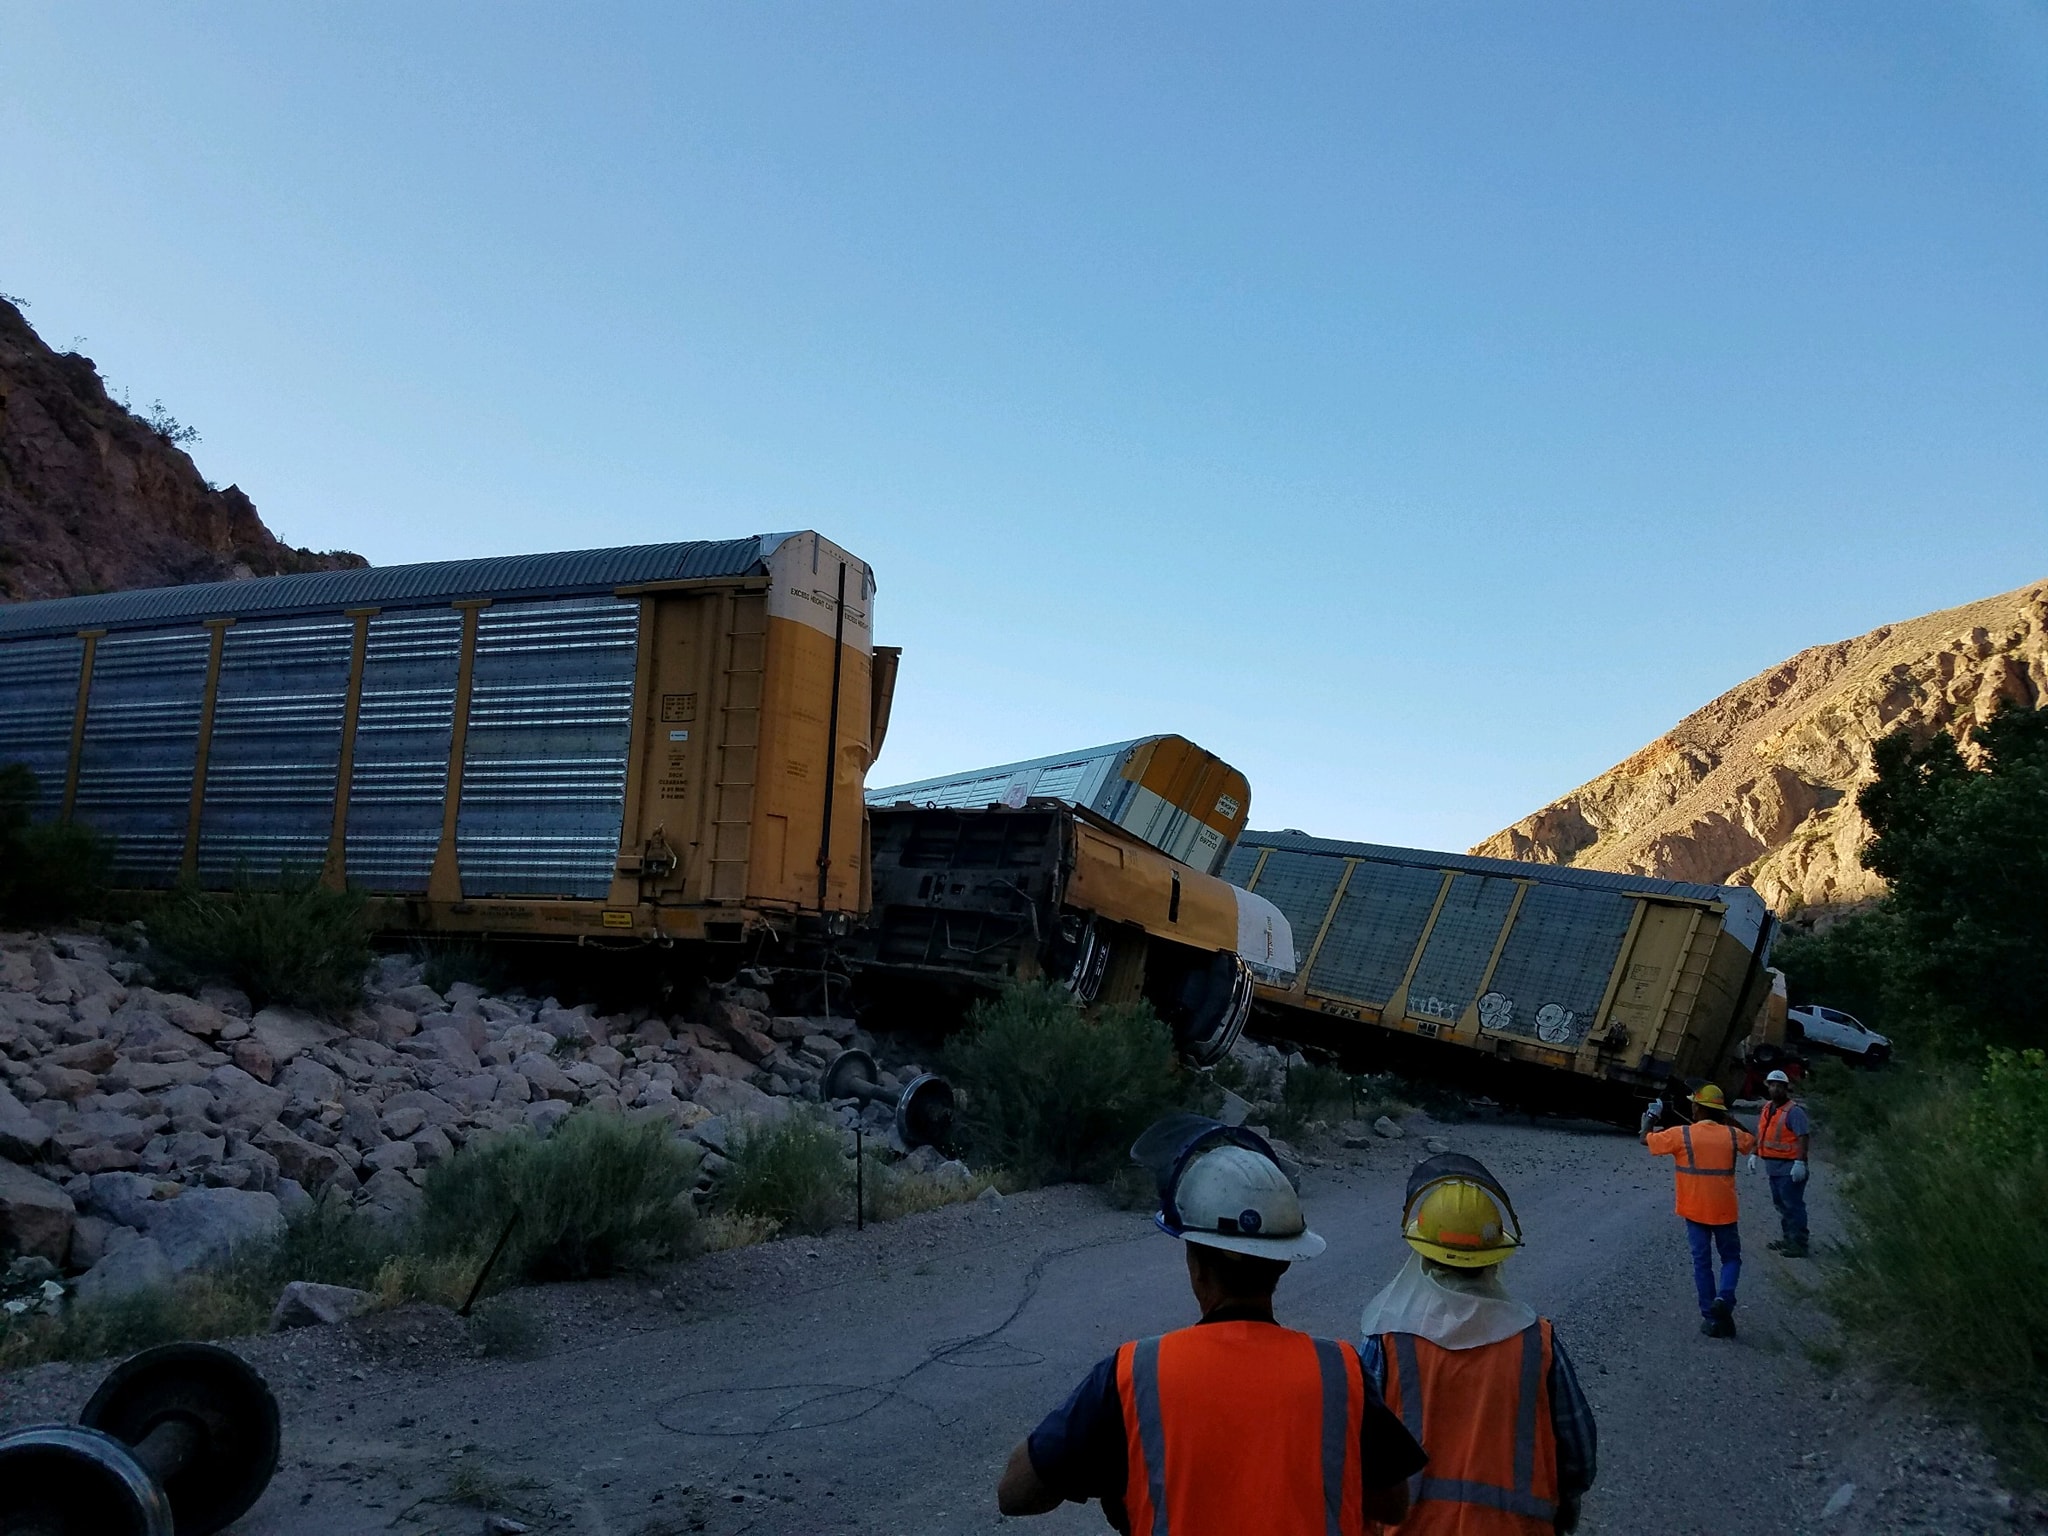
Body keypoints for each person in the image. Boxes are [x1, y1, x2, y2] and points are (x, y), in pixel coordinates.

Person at [996, 1115, 1426, 1533]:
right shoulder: (1341, 1372)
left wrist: (1111, 1468)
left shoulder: (1135, 1374)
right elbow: (1392, 1505)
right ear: (1283, 1265)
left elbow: (1016, 1494)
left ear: (1196, 1263)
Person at [1357, 1153, 1598, 1535]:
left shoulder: (1385, 1341)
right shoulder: (1537, 1341)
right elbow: (1577, 1451)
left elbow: (1358, 1449)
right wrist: (1567, 1504)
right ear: (1494, 1259)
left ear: (1421, 1254)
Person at [1642, 1084, 1756, 1339]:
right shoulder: (1732, 1135)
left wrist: (1650, 1117)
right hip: (1724, 1210)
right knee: (1731, 1259)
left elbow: (1645, 1139)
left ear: (1696, 1107)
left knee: (1702, 1263)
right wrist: (1727, 1121)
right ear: (1720, 1112)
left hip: (1694, 1210)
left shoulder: (1681, 1134)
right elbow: (1752, 1141)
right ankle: (1724, 1299)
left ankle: (1709, 1316)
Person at [1752, 1068, 1811, 1257]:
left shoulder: (1794, 1112)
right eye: (1773, 1085)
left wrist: (1800, 1163)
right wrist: (1755, 1153)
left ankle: (1799, 1244)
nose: (1775, 1089)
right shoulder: (1768, 1108)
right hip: (1774, 1167)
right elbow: (1761, 1134)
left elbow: (1803, 1137)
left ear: (1786, 1088)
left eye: (1779, 1086)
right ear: (1768, 1086)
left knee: (1792, 1205)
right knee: (1782, 1204)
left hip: (1789, 1167)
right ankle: (1788, 1239)